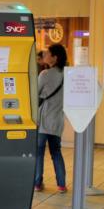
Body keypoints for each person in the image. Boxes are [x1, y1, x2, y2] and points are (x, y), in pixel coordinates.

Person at [35, 44, 67, 193]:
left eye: (48, 53)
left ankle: (37, 183)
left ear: (55, 57)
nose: (44, 55)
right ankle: (61, 184)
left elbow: (35, 94)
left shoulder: (45, 75)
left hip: (43, 121)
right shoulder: (68, 74)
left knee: (39, 152)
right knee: (56, 152)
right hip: (58, 120)